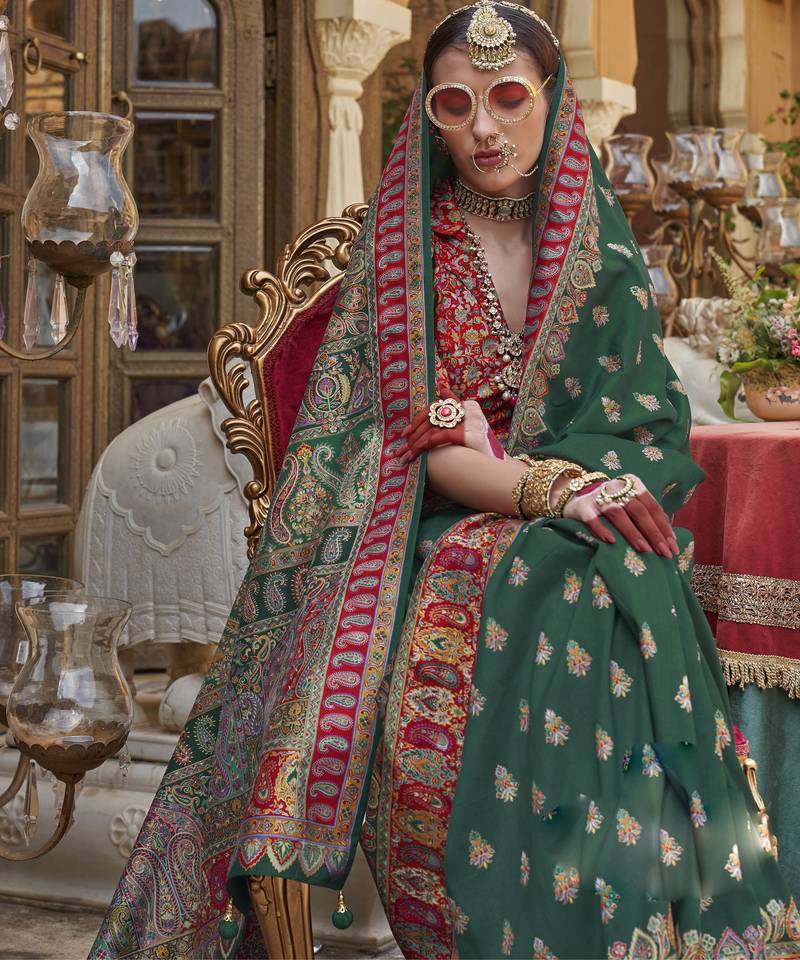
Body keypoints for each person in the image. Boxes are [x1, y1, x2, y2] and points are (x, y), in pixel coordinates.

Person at [91, 4, 799, 958]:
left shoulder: (595, 243)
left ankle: (648, 919)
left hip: (567, 508)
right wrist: (547, 489)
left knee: (622, 566)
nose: (485, 129)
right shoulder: (407, 252)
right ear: (427, 114)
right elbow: (417, 450)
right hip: (418, 528)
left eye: (509, 98)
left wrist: (563, 480)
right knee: (565, 573)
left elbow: (645, 419)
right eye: (455, 105)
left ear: (553, 101)